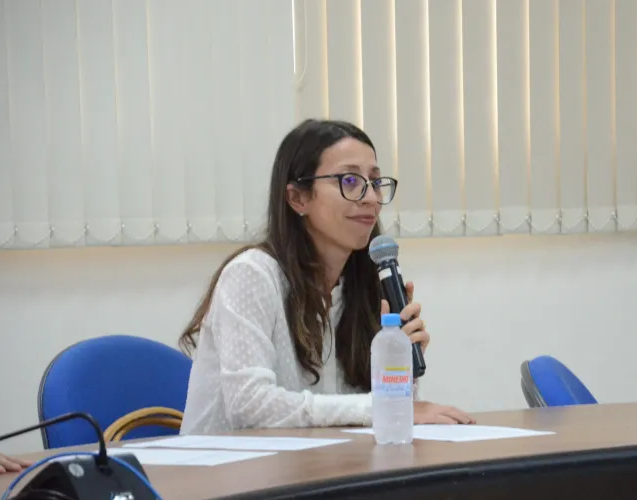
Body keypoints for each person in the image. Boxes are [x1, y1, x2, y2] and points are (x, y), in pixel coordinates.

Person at [178, 119, 474, 435]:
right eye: (349, 180)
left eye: (374, 182)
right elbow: (250, 407)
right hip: (226, 476)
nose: (371, 198)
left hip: (316, 470)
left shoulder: (365, 286)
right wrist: (380, 407)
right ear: (297, 198)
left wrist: (399, 364)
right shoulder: (250, 275)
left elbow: (381, 417)